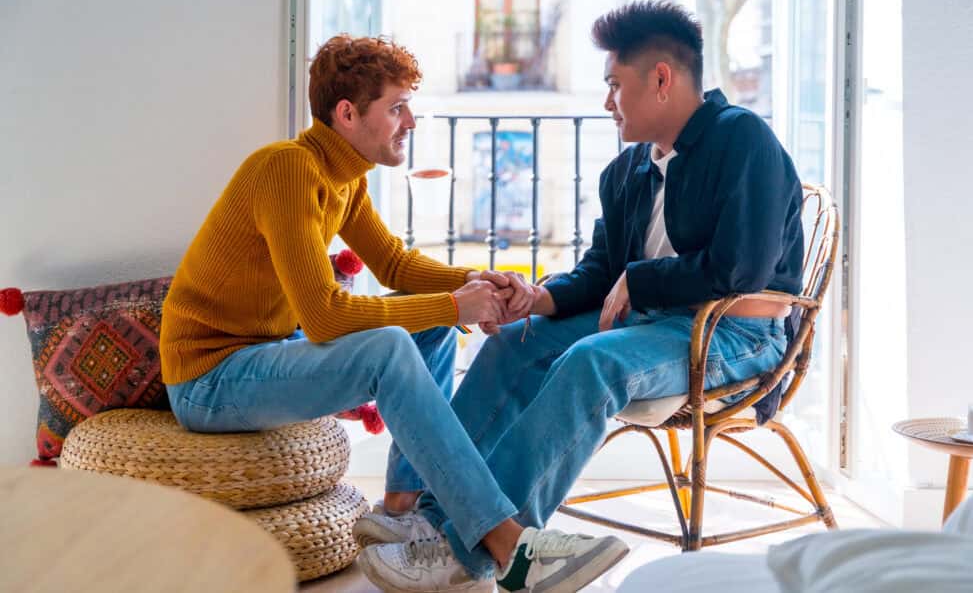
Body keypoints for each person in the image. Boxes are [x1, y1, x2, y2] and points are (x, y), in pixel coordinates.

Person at [357, 0, 805, 590]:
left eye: (615, 85)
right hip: (650, 323)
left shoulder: (741, 138)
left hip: (734, 333)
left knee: (590, 362)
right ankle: (439, 518)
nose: (607, 102)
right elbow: (600, 275)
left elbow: (741, 270)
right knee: (515, 342)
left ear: (662, 80)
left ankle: (469, 552)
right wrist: (533, 299)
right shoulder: (626, 172)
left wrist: (639, 280)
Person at [159, 34, 626, 593]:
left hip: (264, 353)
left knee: (424, 324)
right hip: (209, 379)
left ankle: (403, 509)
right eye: (397, 108)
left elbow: (395, 265)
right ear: (348, 113)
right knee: (391, 342)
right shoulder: (287, 170)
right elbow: (325, 315)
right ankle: (510, 547)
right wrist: (457, 304)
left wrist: (481, 282)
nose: (410, 122)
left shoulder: (344, 177)